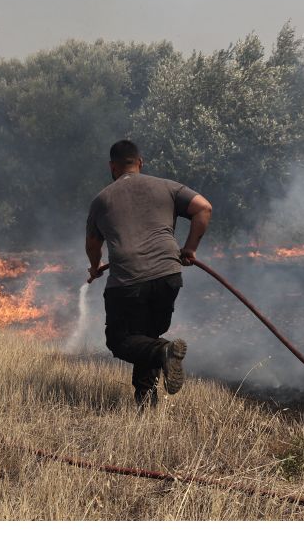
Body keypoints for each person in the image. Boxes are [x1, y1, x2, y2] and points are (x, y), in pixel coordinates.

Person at [85, 140, 212, 408]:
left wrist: (95, 267)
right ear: (140, 163)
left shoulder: (102, 199)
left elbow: (93, 243)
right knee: (145, 336)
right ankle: (146, 404)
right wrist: (190, 248)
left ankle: (163, 352)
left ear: (112, 167)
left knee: (120, 341)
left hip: (127, 282)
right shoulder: (168, 187)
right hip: (168, 277)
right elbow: (204, 208)